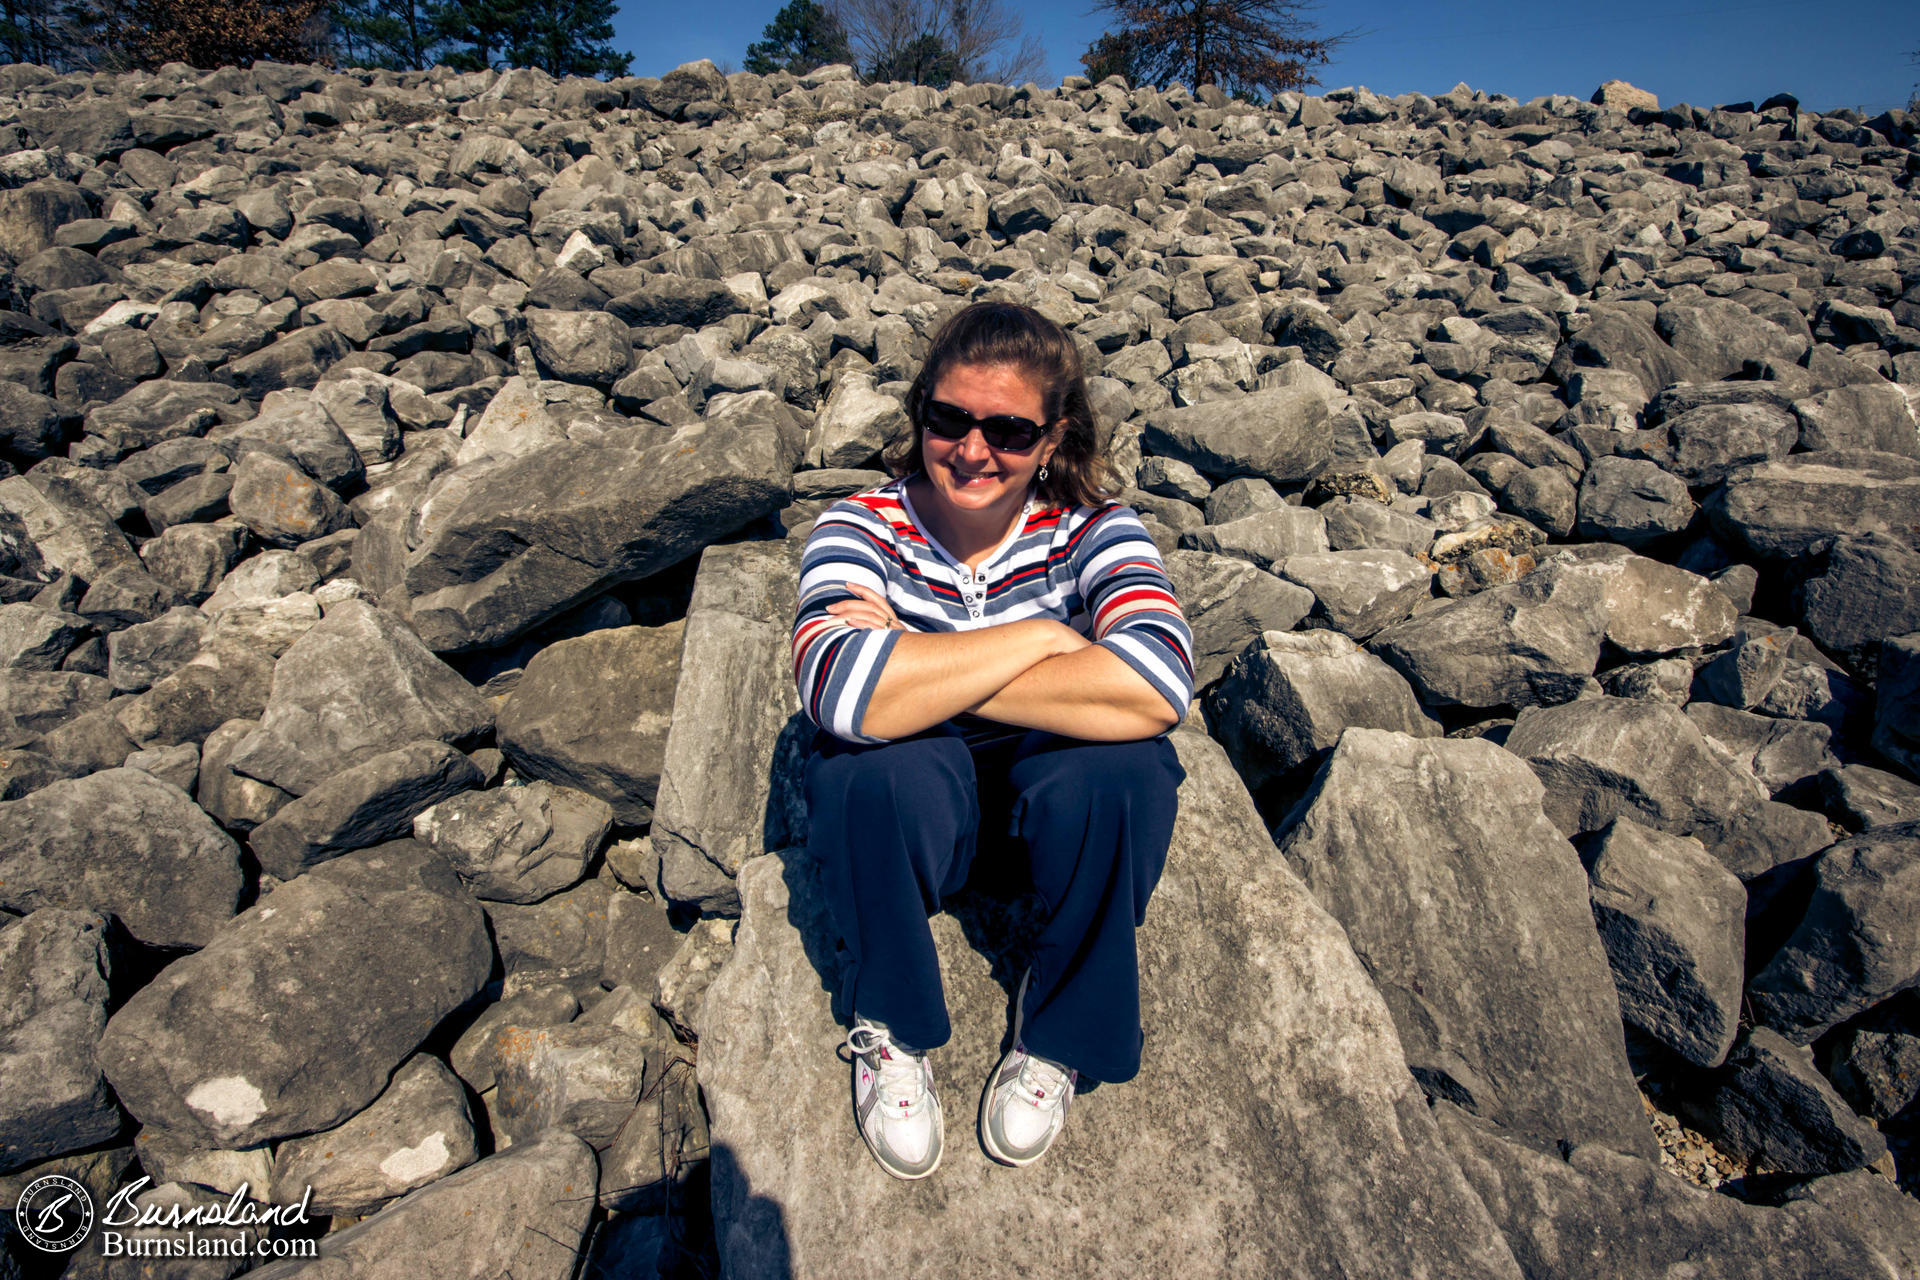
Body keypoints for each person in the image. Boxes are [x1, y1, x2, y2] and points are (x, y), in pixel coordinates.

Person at [790, 301, 1194, 1179]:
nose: (972, 451)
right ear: (921, 413)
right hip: (925, 820)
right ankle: (892, 1025)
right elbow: (836, 688)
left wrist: (920, 661)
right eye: (949, 419)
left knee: (1122, 776)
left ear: (1053, 441)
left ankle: (1060, 1031)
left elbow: (1158, 684)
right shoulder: (860, 525)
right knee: (868, 774)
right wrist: (1051, 640)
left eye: (1009, 430)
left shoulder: (1096, 531)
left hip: (1050, 815)